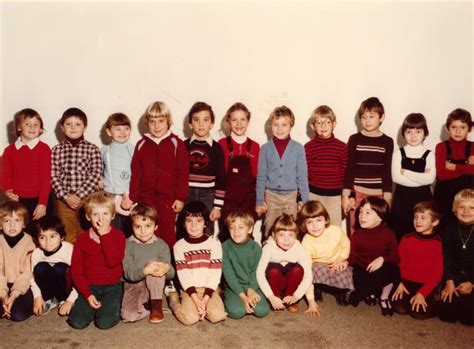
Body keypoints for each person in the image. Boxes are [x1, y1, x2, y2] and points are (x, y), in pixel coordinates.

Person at [129, 101, 189, 248]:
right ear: (147, 123)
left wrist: (180, 198)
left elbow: (183, 173)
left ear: (168, 121)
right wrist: (134, 198)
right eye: (152, 121)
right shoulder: (141, 144)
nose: (156, 126)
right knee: (146, 233)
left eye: (161, 121)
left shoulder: (176, 143)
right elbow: (136, 173)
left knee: (167, 234)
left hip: (168, 200)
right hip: (146, 199)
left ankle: (167, 267)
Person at [67, 191, 125, 329]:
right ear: (88, 217)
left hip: (112, 286)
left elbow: (113, 261)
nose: (101, 218)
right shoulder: (82, 240)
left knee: (104, 323)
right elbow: (76, 271)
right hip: (90, 286)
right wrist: (87, 294)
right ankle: (91, 309)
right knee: (77, 322)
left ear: (113, 215)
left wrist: (105, 235)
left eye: (105, 213)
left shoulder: (119, 236)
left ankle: (109, 309)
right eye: (95, 214)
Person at [256, 106, 309, 239]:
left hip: (291, 197)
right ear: (270, 126)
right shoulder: (265, 148)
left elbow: (302, 177)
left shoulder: (298, 148)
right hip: (271, 197)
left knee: (291, 229)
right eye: (276, 125)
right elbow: (261, 177)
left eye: (284, 125)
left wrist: (305, 200)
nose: (280, 129)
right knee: (270, 229)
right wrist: (259, 200)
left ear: (291, 125)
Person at [170, 201, 227, 325]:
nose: (194, 225)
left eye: (199, 221)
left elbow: (215, 272)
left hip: (210, 288)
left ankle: (208, 305)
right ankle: (173, 299)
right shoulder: (179, 246)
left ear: (206, 223)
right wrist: (196, 300)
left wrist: (206, 299)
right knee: (190, 319)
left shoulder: (214, 242)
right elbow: (184, 275)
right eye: (189, 221)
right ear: (184, 224)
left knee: (217, 316)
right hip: (189, 289)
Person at [342, 97, 393, 235]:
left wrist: (387, 197)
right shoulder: (354, 139)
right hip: (358, 193)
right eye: (363, 117)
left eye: (372, 116)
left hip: (379, 194)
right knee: (355, 229)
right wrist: (346, 195)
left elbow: (387, 171)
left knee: (378, 231)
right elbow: (349, 168)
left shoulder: (387, 141)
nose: (367, 120)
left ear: (381, 117)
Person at [51, 107, 102, 243]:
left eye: (78, 124)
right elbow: (53, 175)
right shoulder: (56, 150)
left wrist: (79, 196)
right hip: (64, 201)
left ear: (85, 127)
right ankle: (70, 262)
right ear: (62, 127)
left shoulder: (92, 149)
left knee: (87, 232)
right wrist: (66, 197)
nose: (73, 128)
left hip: (86, 198)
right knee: (67, 233)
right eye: (68, 124)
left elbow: (96, 173)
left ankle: (87, 260)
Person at [345, 196, 399, 317]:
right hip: (363, 269)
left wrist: (382, 259)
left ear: (380, 217)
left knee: (393, 271)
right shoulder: (357, 235)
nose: (362, 216)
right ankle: (369, 292)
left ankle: (383, 297)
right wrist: (345, 262)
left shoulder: (389, 234)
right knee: (361, 278)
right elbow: (353, 256)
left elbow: (395, 257)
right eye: (361, 212)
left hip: (381, 270)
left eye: (368, 213)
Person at [121, 204, 175, 324]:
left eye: (148, 226)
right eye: (138, 227)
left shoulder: (161, 245)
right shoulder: (127, 244)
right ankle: (148, 304)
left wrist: (167, 267)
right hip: (133, 284)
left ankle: (156, 305)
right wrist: (145, 270)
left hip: (155, 282)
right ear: (132, 227)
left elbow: (171, 275)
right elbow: (129, 274)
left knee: (154, 264)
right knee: (128, 316)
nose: (143, 231)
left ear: (156, 226)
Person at [0, 108, 51, 234]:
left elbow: (46, 178)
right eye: (27, 124)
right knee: (18, 232)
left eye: (36, 125)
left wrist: (42, 204)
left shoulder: (44, 149)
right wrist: (8, 191)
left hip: (39, 200)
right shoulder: (9, 150)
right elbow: (4, 175)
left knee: (39, 233)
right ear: (18, 127)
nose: (32, 127)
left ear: (40, 129)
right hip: (17, 200)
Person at [391, 201, 442, 319]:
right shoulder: (406, 238)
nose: (417, 221)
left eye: (423, 218)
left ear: (435, 222)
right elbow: (399, 263)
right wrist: (399, 282)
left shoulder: (438, 243)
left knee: (419, 313)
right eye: (416, 217)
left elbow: (437, 273)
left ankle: (434, 300)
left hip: (426, 284)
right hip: (406, 282)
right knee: (400, 308)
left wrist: (422, 293)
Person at [298, 201, 352, 308]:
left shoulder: (335, 230)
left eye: (319, 220)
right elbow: (307, 270)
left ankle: (340, 291)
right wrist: (310, 299)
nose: (315, 226)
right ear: (304, 224)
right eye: (309, 222)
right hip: (319, 265)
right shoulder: (306, 241)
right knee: (315, 268)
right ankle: (317, 287)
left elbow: (346, 245)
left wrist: (341, 259)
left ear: (326, 219)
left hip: (337, 261)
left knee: (346, 272)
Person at [218, 103, 260, 241]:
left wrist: (260, 201)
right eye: (234, 119)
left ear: (248, 121)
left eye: (242, 119)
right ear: (228, 121)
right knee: (227, 234)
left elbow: (259, 177)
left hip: (249, 199)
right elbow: (219, 177)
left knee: (246, 234)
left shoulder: (255, 146)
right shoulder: (221, 144)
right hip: (228, 200)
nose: (239, 123)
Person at [184, 102, 226, 236]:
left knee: (206, 229)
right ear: (190, 124)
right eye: (196, 120)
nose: (201, 124)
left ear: (212, 124)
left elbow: (221, 178)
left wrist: (217, 207)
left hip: (208, 195)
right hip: (186, 194)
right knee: (186, 227)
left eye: (205, 120)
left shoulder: (216, 148)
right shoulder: (183, 146)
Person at [391, 113, 435, 240]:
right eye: (409, 132)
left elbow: (430, 179)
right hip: (401, 201)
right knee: (400, 233)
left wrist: (406, 172)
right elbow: (396, 178)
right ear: (403, 134)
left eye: (418, 131)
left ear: (425, 134)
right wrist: (422, 177)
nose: (413, 136)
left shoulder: (429, 154)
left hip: (423, 199)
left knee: (423, 233)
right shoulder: (398, 153)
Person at [256, 214, 313, 314]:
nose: (286, 239)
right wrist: (270, 296)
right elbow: (259, 274)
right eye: (281, 235)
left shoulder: (298, 248)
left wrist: (296, 296)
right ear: (274, 235)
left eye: (291, 235)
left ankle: (289, 301)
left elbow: (308, 275)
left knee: (298, 270)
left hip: (290, 285)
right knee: (273, 270)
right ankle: (276, 299)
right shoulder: (268, 248)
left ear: (296, 235)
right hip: (275, 285)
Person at [304, 105, 347, 227]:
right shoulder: (308, 147)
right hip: (314, 195)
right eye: (318, 123)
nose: (323, 126)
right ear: (312, 126)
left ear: (334, 124)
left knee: (334, 228)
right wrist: (300, 198)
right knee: (314, 227)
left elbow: (345, 173)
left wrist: (347, 196)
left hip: (335, 196)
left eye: (327, 122)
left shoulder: (342, 147)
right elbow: (303, 175)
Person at [222, 211, 270, 319]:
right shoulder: (224, 247)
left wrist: (251, 289)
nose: (236, 231)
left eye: (241, 227)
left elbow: (257, 271)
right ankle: (227, 299)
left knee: (262, 311)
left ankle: (246, 296)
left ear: (250, 229)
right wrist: (243, 297)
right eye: (232, 227)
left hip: (252, 285)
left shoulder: (255, 247)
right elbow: (229, 276)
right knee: (237, 312)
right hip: (233, 287)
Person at [439, 188, 474, 326]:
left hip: (472, 277)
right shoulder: (449, 228)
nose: (466, 211)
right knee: (447, 316)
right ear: (455, 210)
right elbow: (446, 257)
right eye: (461, 207)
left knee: (469, 320)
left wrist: (471, 283)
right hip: (454, 277)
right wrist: (449, 282)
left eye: (472, 207)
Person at [31, 216, 77, 316]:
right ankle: (50, 299)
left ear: (62, 237)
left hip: (67, 287)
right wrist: (37, 297)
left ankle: (63, 299)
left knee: (60, 267)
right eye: (42, 237)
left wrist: (70, 300)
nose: (48, 241)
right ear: (37, 239)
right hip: (49, 286)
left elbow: (80, 277)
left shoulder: (70, 250)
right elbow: (31, 278)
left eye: (52, 236)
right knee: (40, 267)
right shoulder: (36, 253)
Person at [434, 109, 474, 222]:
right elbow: (442, 174)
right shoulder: (441, 147)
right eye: (453, 127)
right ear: (447, 129)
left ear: (469, 129)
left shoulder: (473, 147)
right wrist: (468, 165)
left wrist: (454, 166)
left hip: (468, 199)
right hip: (445, 197)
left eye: (462, 127)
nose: (458, 131)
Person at [100, 112, 135, 237]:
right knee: (112, 228)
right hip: (109, 196)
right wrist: (100, 178)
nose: (122, 132)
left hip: (128, 196)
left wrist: (128, 195)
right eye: (117, 129)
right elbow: (101, 167)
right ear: (109, 132)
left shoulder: (133, 149)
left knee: (128, 229)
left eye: (126, 128)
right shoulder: (105, 150)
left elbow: (136, 173)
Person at [0, 201, 35, 321]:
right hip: (2, 284)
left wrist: (14, 295)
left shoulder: (29, 241)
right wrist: (3, 295)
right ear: (0, 225)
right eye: (6, 221)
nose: (12, 225)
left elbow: (27, 273)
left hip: (22, 286)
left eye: (17, 220)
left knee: (17, 315)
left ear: (24, 223)